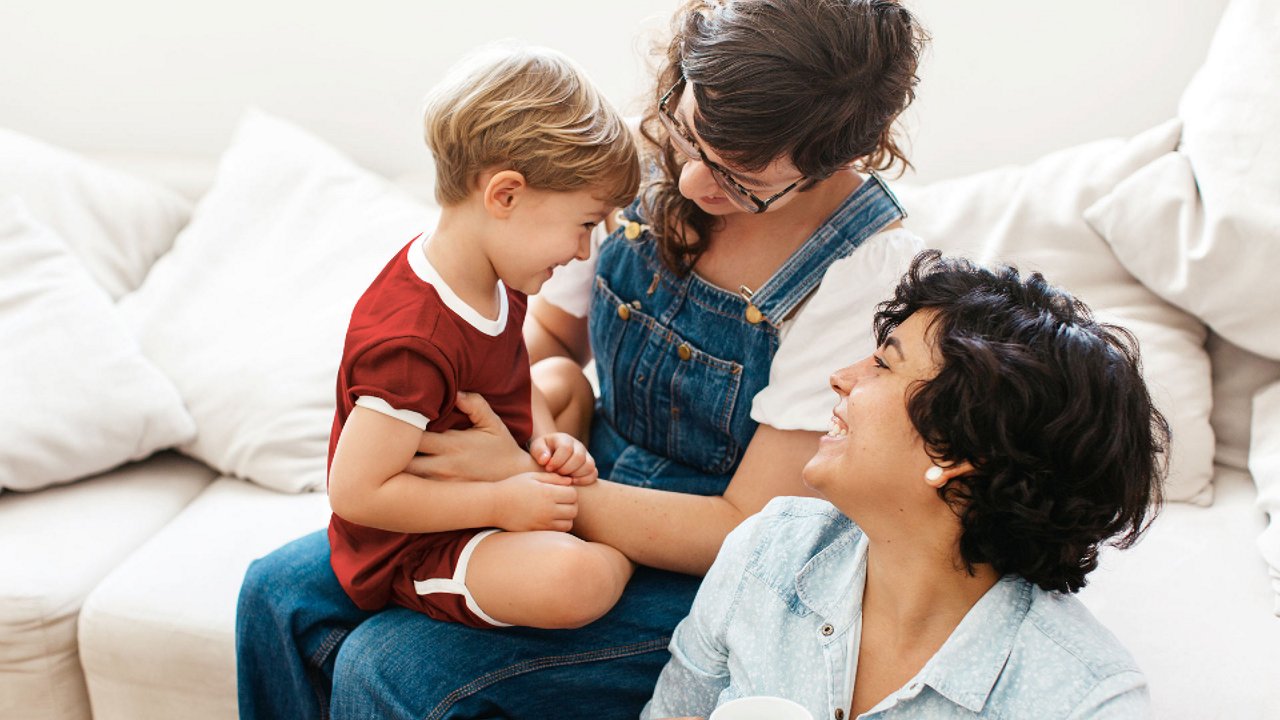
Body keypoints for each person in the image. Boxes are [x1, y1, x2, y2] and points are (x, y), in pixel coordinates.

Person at [236, 1, 928, 717]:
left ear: (839, 159)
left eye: (742, 178)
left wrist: (520, 481)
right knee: (276, 594)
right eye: (692, 136)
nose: (691, 184)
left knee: (392, 668)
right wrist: (514, 435)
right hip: (562, 473)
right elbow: (546, 343)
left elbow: (741, 525)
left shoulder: (864, 271)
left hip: (703, 561)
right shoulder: (628, 165)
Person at [644, 251, 1169, 719]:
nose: (840, 377)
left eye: (882, 364)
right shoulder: (767, 553)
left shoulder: (1083, 700)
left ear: (958, 452)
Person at [323, 45, 639, 632]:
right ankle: (625, 561)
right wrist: (501, 500)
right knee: (576, 581)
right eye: (585, 224)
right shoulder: (411, 341)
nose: (583, 251)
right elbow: (357, 493)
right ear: (505, 196)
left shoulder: (496, 273)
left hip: (489, 474)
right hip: (415, 538)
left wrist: (545, 444)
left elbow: (514, 385)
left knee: (563, 380)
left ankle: (563, 511)